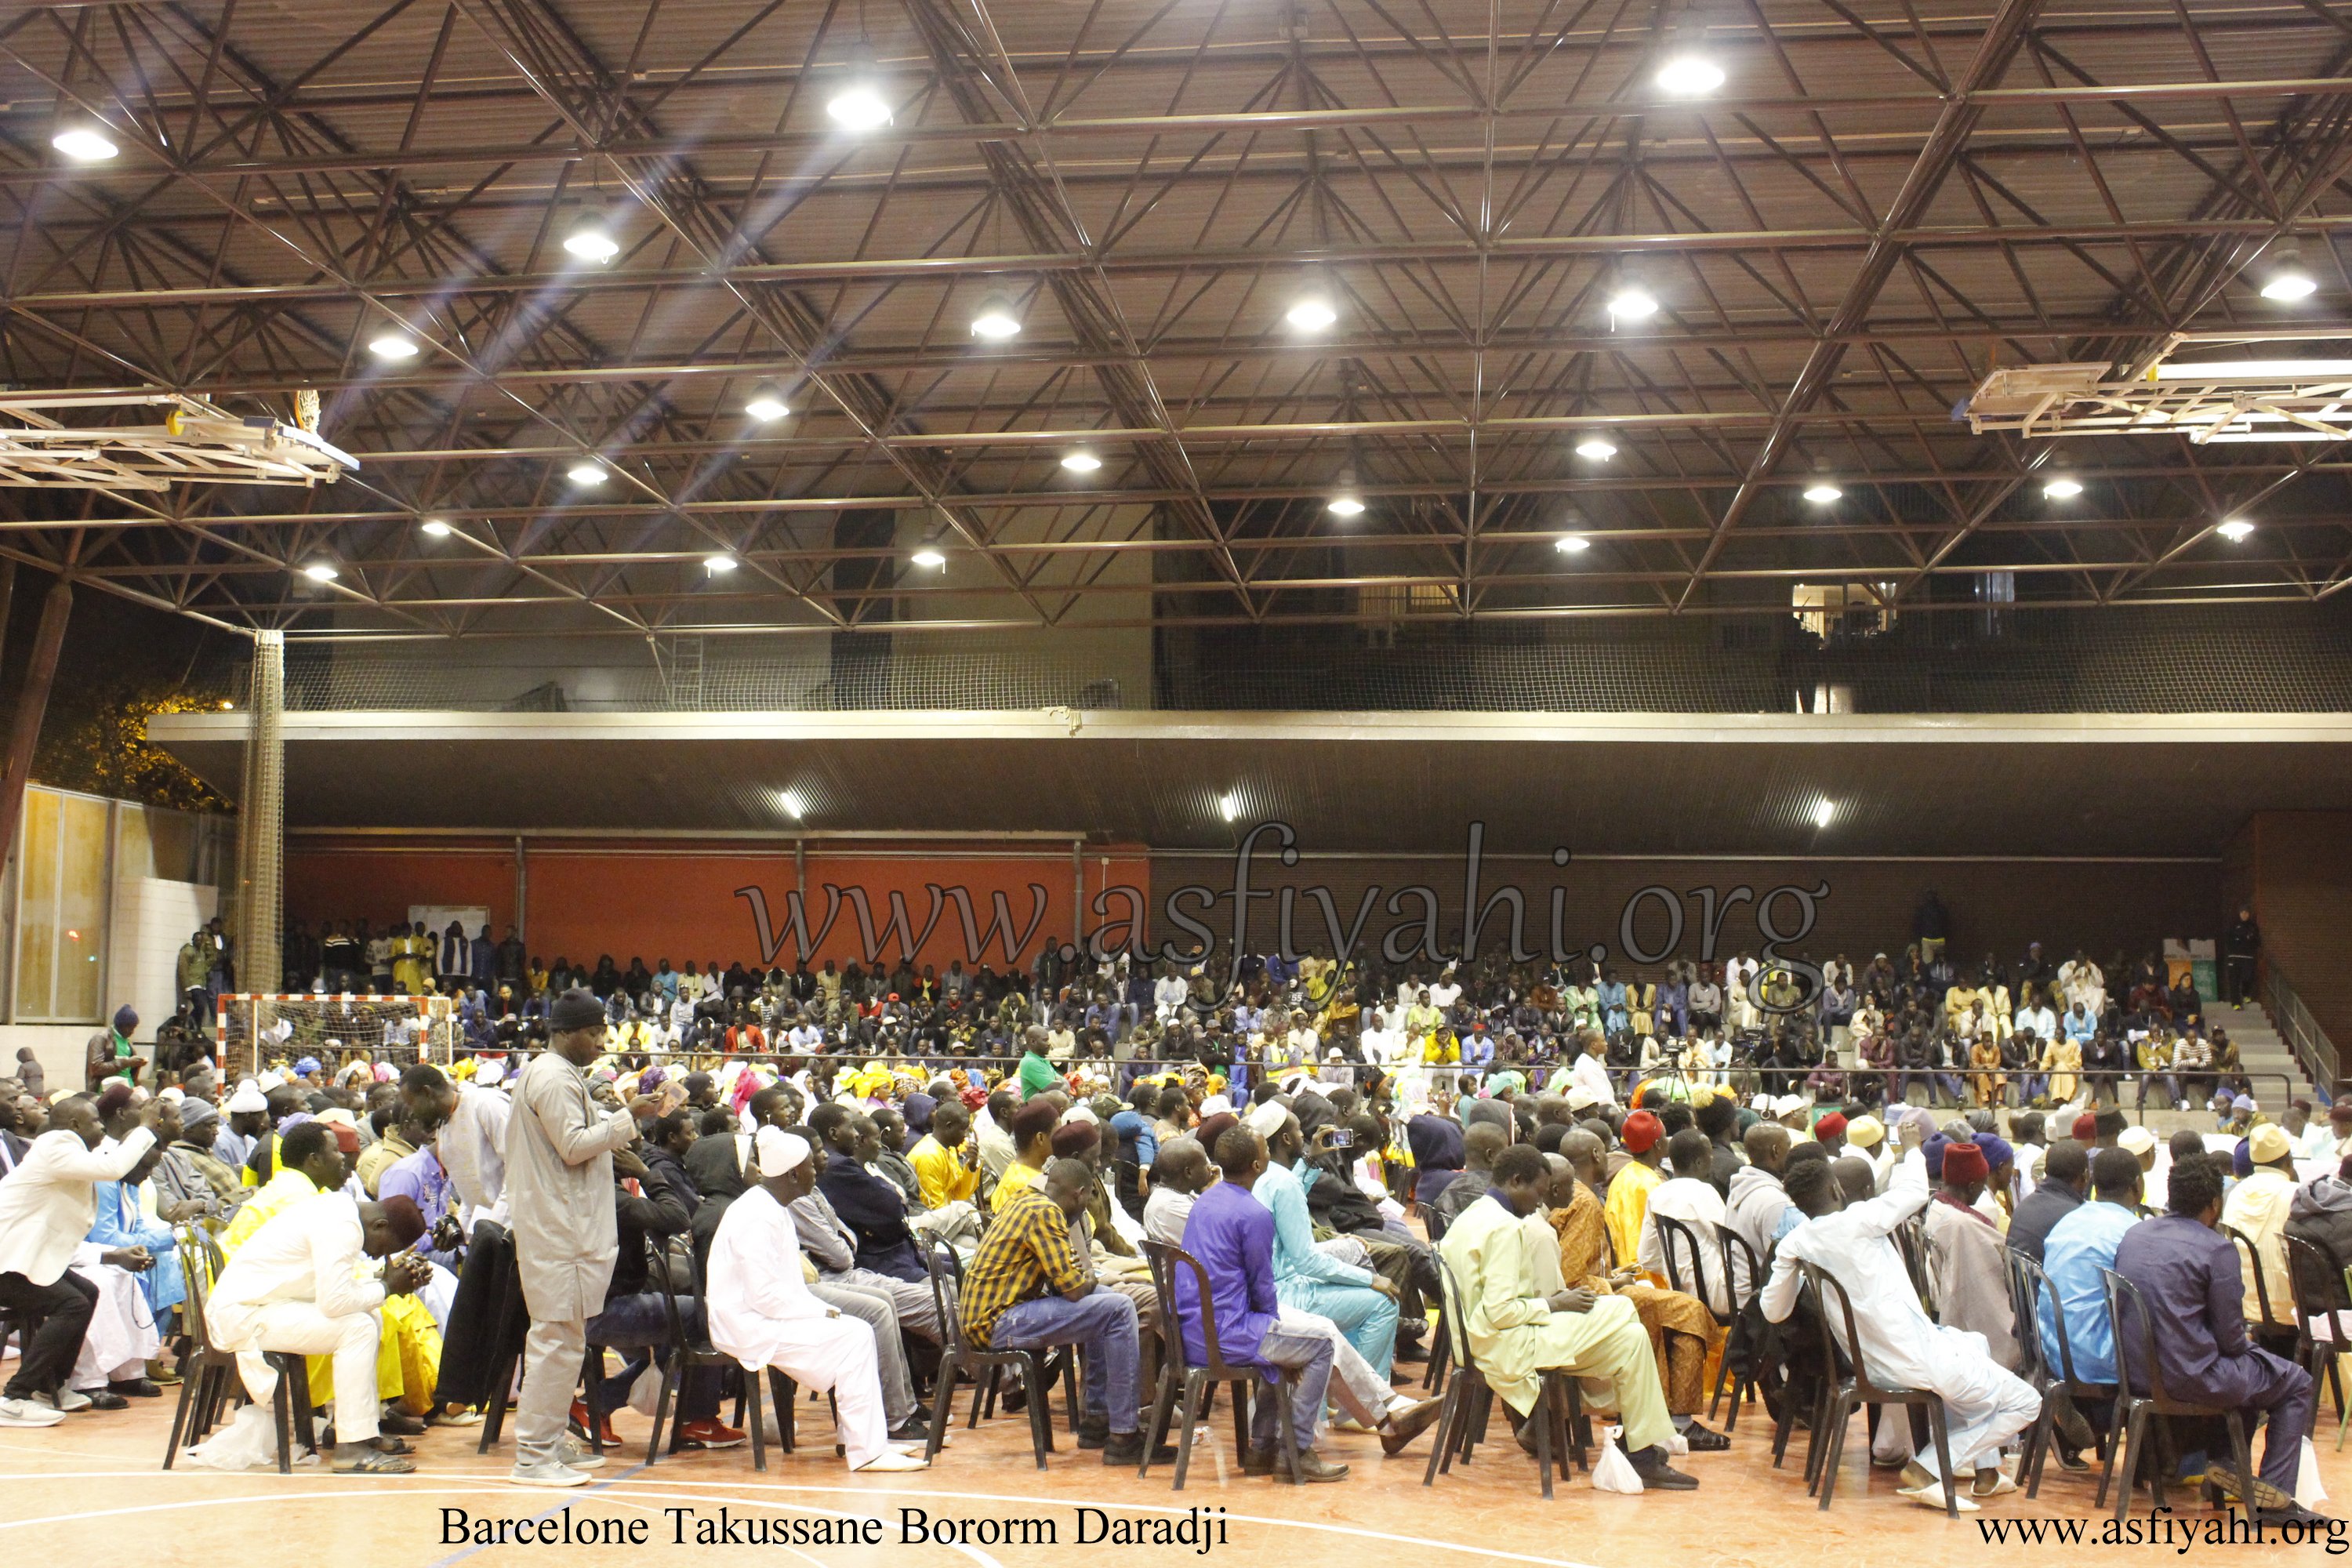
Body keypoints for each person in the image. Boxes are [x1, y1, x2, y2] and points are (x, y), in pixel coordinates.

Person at [1762, 1145, 2040, 1510]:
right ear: (1835, 1191)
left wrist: (1790, 1265)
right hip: (1915, 1357)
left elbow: (1773, 1312)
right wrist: (1911, 1148)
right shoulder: (1859, 1219)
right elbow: (1911, 1193)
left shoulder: (1797, 1242)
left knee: (1974, 1343)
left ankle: (1986, 1474)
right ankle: (1929, 1468)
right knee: (2026, 1403)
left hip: (1874, 1362)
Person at [1440, 1144, 1697, 1488]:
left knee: (1631, 1338)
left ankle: (1642, 1451)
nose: (1539, 1204)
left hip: (1480, 1339)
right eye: (1537, 1192)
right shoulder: (1506, 1228)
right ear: (1516, 1181)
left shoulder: (1473, 1214)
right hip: (1504, 1343)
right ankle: (1641, 1451)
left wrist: (1549, 1301)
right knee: (1623, 1309)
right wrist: (1552, 1305)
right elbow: (1501, 1312)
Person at [705, 1127, 928, 1472]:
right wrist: (819, 1311)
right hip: (747, 1322)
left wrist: (818, 1311)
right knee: (854, 1335)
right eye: (811, 1165)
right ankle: (865, 1449)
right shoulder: (757, 1214)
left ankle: (861, 1441)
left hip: (766, 1313)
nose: (817, 1170)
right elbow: (763, 1295)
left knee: (856, 1330)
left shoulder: (772, 1205)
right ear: (793, 1173)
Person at [2114, 1152, 2321, 1523]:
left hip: (2138, 1375)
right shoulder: (2217, 1249)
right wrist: (2254, 1354)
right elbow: (2230, 1340)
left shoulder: (2135, 1234)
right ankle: (2277, 1502)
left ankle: (2225, 1467)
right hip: (2192, 1377)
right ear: (2214, 1203)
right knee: (2294, 1382)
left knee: (2252, 1374)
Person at [504, 989, 637, 1487]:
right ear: (566, 1032)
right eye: (595, 1032)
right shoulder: (554, 1077)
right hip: (560, 1231)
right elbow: (575, 1146)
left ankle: (551, 1439)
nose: (603, 1041)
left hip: (561, 1226)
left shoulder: (555, 1073)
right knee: (556, 1342)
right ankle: (534, 1459)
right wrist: (629, 1120)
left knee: (566, 1339)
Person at [206, 1186, 429, 1474]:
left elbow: (334, 1290)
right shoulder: (342, 1225)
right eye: (384, 1249)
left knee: (369, 1317)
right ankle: (351, 1449)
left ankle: (355, 1429)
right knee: (358, 1327)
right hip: (243, 1315)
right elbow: (335, 1302)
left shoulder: (341, 1210)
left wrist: (384, 1281)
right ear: (380, 1225)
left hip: (264, 1305)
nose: (377, 1256)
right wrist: (387, 1287)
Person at [960, 1156, 1166, 1465]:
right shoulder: (1045, 1213)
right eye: (1085, 1201)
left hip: (996, 1314)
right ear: (1080, 1194)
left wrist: (1088, 1282)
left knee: (1104, 1302)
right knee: (1119, 1307)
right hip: (997, 1323)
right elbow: (1073, 1287)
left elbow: (1067, 1283)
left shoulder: (1027, 1200)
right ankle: (1124, 1434)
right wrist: (1089, 1278)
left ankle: (1098, 1420)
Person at [1174, 1126, 1350, 1481]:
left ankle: (1262, 1447)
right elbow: (1261, 1283)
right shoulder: (1254, 1214)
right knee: (1320, 1345)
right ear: (1258, 1165)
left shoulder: (1205, 1201)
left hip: (1192, 1328)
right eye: (1265, 1151)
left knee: (1284, 1343)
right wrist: (1275, 1327)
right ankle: (1297, 1451)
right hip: (1227, 1334)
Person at [0, 1094, 159, 1425]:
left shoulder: (67, 1155)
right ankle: (14, 1396)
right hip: (6, 1263)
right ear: (74, 1125)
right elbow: (114, 1167)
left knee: (87, 1293)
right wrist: (145, 1127)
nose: (102, 1126)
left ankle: (51, 1386)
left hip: (20, 1259)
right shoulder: (57, 1145)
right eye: (95, 1121)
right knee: (70, 1304)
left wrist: (110, 1255)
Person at [2220, 1122, 2299, 1337]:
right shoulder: (2295, 1194)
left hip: (2244, 1308)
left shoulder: (2235, 1193)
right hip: (2290, 1313)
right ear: (2289, 1161)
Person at [2005, 1140, 2087, 1265]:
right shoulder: (2074, 1216)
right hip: (2045, 1283)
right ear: (2085, 1175)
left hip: (2019, 1282)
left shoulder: (2024, 1205)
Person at [1604, 1109, 1666, 1268]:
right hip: (1644, 1274)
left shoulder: (1623, 1175)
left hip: (1624, 1267)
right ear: (1658, 1144)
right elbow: (1642, 1244)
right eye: (1665, 1137)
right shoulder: (1649, 1184)